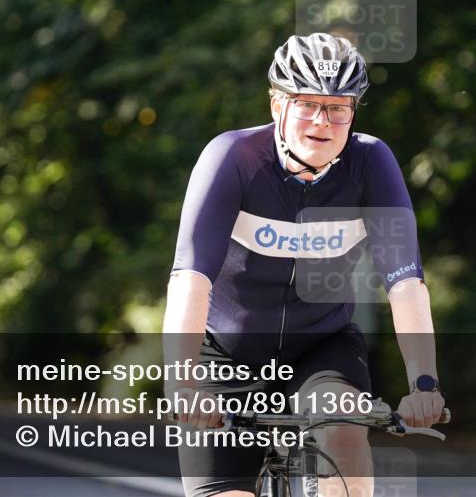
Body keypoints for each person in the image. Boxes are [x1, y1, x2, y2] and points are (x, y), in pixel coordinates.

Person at [163, 33, 444, 497]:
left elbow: (406, 283)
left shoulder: (371, 162)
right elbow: (190, 278)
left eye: (338, 107)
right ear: (277, 105)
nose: (322, 121)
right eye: (307, 104)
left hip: (323, 348)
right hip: (226, 355)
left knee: (344, 427)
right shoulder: (232, 158)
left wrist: (424, 382)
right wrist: (182, 380)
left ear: (353, 112)